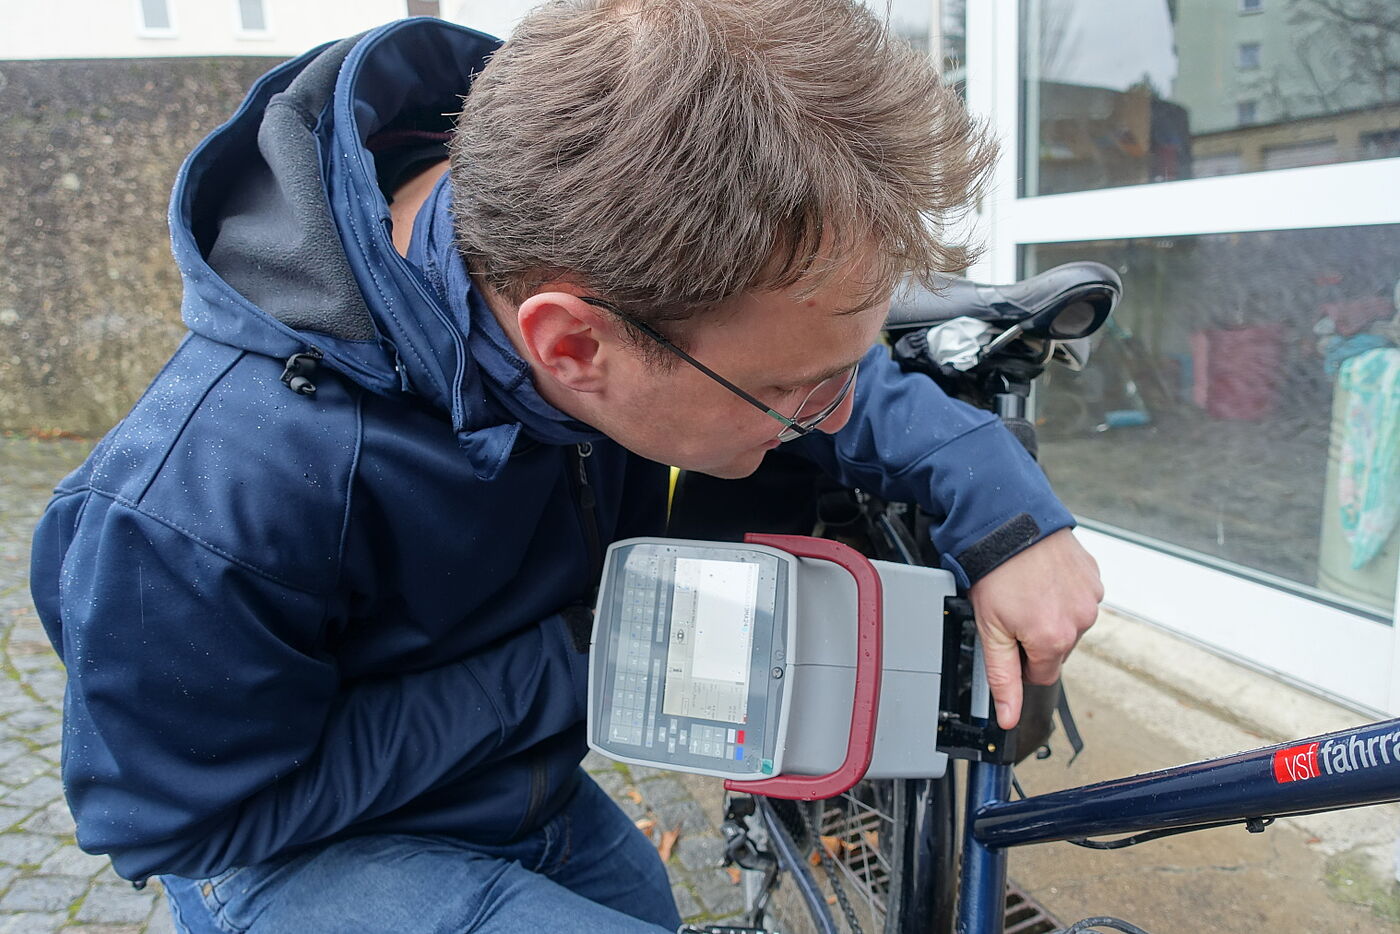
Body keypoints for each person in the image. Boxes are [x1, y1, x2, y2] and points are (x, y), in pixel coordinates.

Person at [28, 2, 1103, 931]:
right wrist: (592, 658)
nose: (824, 414)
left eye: (831, 375)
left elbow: (816, 362)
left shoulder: (598, 231)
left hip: (524, 788)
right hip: (297, 860)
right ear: (572, 347)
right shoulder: (196, 505)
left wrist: (1002, 508)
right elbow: (184, 820)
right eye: (787, 396)